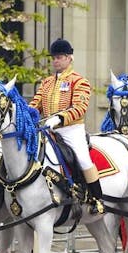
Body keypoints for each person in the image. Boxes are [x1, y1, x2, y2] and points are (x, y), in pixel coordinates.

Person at [30, 38, 103, 214]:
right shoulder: (46, 82)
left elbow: (80, 107)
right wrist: (26, 113)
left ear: (70, 58)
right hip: (48, 129)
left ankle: (96, 199)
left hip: (71, 129)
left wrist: (59, 119)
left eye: (60, 57)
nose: (56, 60)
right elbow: (36, 104)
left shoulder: (79, 81)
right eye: (54, 57)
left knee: (84, 159)